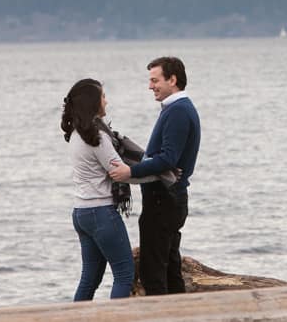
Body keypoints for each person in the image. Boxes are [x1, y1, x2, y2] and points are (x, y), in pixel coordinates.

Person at [109, 56, 201, 296]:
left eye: (155, 80)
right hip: (169, 199)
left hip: (164, 200)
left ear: (173, 79)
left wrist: (131, 171)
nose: (150, 86)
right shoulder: (176, 109)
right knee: (170, 268)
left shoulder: (179, 111)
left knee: (154, 272)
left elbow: (168, 158)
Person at [60, 78, 135, 300]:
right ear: (93, 102)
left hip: (81, 212)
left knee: (89, 278)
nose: (106, 101)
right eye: (103, 96)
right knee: (124, 274)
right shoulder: (98, 137)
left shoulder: (75, 135)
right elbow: (119, 171)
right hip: (101, 212)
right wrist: (157, 172)